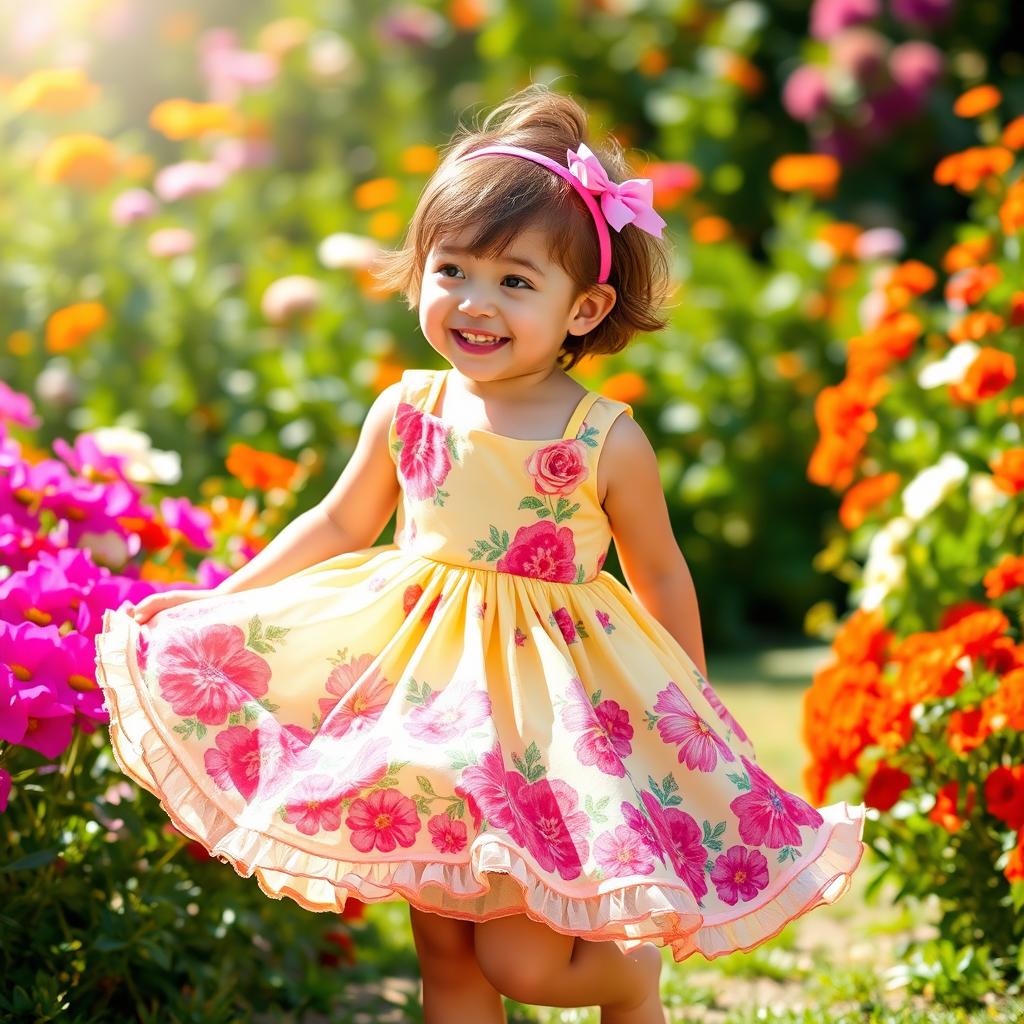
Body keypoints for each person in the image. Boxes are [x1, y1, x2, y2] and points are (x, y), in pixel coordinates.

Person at [94, 83, 867, 1024]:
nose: (475, 302)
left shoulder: (603, 438)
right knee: (447, 950)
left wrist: (692, 710)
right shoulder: (407, 408)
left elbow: (659, 570)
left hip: (552, 715)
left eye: (515, 282)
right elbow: (337, 524)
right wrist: (223, 600)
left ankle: (625, 980)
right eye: (453, 269)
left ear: (584, 308)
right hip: (425, 698)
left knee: (524, 961)